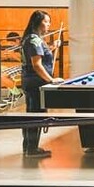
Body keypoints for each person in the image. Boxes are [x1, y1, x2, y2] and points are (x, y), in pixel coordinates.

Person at [19, 10, 62, 158]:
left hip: (29, 82)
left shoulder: (31, 38)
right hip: (36, 83)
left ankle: (28, 147)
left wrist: (52, 47)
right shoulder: (35, 40)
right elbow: (37, 65)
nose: (48, 25)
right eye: (46, 21)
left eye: (49, 22)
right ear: (37, 23)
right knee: (36, 116)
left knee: (31, 115)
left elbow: (39, 56)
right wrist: (51, 80)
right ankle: (32, 149)